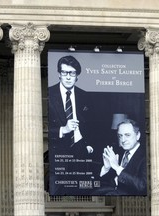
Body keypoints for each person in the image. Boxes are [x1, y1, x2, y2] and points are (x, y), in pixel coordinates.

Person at [48, 55, 93, 195]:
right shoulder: (49, 94)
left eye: (72, 73)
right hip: (58, 153)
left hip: (81, 151)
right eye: (64, 73)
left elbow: (94, 124)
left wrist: (89, 144)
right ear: (59, 75)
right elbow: (34, 128)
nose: (68, 77)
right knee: (56, 189)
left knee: (84, 191)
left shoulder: (85, 96)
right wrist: (63, 129)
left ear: (77, 76)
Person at [94, 118, 147, 195]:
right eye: (120, 136)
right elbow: (104, 183)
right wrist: (106, 168)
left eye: (127, 135)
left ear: (138, 135)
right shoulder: (118, 152)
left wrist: (117, 167)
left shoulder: (145, 156)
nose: (123, 140)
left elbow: (142, 186)